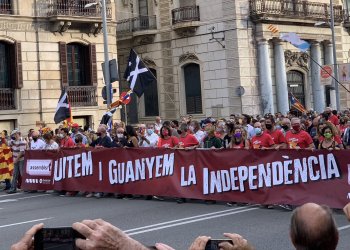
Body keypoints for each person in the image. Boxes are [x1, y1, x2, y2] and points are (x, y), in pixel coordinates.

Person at [7, 129, 27, 194]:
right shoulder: (13, 141)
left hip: (21, 160)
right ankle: (13, 188)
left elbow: (22, 152)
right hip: (16, 160)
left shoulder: (22, 141)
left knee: (22, 174)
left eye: (14, 134)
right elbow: (8, 144)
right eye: (13, 134)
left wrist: (16, 159)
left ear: (17, 134)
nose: (13, 136)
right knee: (15, 174)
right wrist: (10, 138)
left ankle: (26, 187)